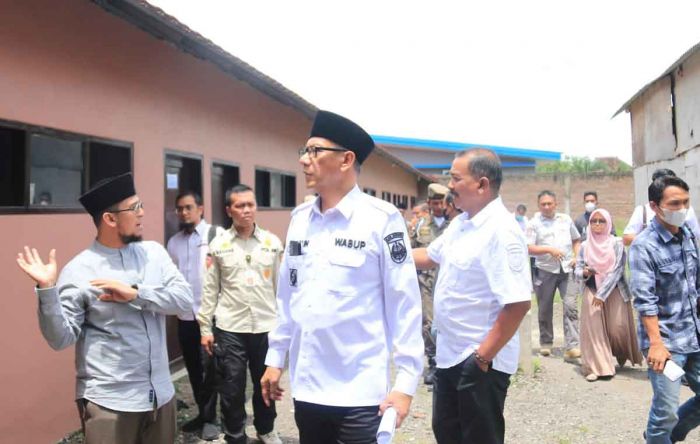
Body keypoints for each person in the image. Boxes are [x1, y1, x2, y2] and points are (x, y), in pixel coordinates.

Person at [260, 110, 424, 443]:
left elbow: (404, 304)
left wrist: (405, 383)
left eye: (315, 151)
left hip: (360, 393)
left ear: (346, 159)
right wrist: (275, 358)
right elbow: (288, 297)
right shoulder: (301, 219)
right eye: (304, 151)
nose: (305, 160)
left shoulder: (381, 219)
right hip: (308, 389)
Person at [15, 173, 192, 444]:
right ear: (110, 219)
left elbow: (184, 301)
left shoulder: (154, 254)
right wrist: (47, 289)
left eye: (140, 205)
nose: (142, 213)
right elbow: (60, 338)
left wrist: (136, 294)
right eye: (134, 208)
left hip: (161, 395)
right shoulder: (78, 271)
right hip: (110, 403)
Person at [413, 148, 531, 444]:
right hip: (449, 356)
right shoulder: (461, 224)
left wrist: (481, 357)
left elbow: (517, 303)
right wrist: (384, 252)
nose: (449, 185)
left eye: (455, 178)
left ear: (482, 184)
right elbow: (428, 255)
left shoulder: (501, 231)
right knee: (447, 434)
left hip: (479, 363)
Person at [198, 184, 284, 444]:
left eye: (250, 204)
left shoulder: (272, 243)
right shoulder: (219, 245)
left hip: (266, 326)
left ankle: (266, 429)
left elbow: (281, 291)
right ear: (229, 210)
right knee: (232, 387)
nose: (246, 210)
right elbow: (210, 289)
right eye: (239, 205)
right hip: (230, 327)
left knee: (265, 384)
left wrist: (285, 328)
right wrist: (205, 328)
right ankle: (235, 435)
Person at [630, 175, 700, 443]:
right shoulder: (643, 246)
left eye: (685, 202)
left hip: (694, 336)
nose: (681, 209)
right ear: (655, 206)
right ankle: (661, 435)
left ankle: (663, 437)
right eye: (674, 203)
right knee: (666, 411)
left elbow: (695, 284)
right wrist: (656, 344)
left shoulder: (688, 235)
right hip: (665, 344)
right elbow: (645, 300)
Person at [166, 191, 222, 440]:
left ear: (200, 208)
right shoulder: (174, 242)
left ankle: (212, 419)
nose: (183, 213)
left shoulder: (217, 236)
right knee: (193, 368)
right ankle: (203, 413)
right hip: (185, 318)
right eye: (179, 208)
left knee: (210, 369)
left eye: (188, 207)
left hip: (209, 317)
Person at [574, 208, 642, 382]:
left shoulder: (617, 243)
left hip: (615, 290)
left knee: (617, 328)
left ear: (608, 223)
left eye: (601, 221)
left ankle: (619, 352)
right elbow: (577, 269)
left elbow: (618, 270)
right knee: (593, 331)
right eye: (594, 221)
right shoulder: (584, 245)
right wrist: (584, 272)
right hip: (592, 289)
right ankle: (594, 367)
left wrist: (603, 294)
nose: (597, 224)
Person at [526, 190, 582, 358]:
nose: (547, 207)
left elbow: (576, 240)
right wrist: (548, 249)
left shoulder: (565, 220)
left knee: (570, 306)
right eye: (543, 204)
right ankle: (546, 342)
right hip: (545, 270)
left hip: (567, 269)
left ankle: (572, 345)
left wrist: (577, 257)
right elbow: (528, 247)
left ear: (556, 204)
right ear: (538, 205)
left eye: (550, 203)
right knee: (544, 309)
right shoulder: (533, 223)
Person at [412, 182, 450, 385]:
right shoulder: (421, 225)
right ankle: (434, 360)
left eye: (440, 202)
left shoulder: (454, 224)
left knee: (445, 320)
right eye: (433, 203)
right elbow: (411, 250)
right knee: (427, 322)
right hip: (426, 280)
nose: (437, 206)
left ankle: (447, 361)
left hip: (447, 280)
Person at [623, 168, 700, 246]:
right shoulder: (642, 211)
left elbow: (695, 235)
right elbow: (627, 238)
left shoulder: (688, 210)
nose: (681, 208)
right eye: (674, 203)